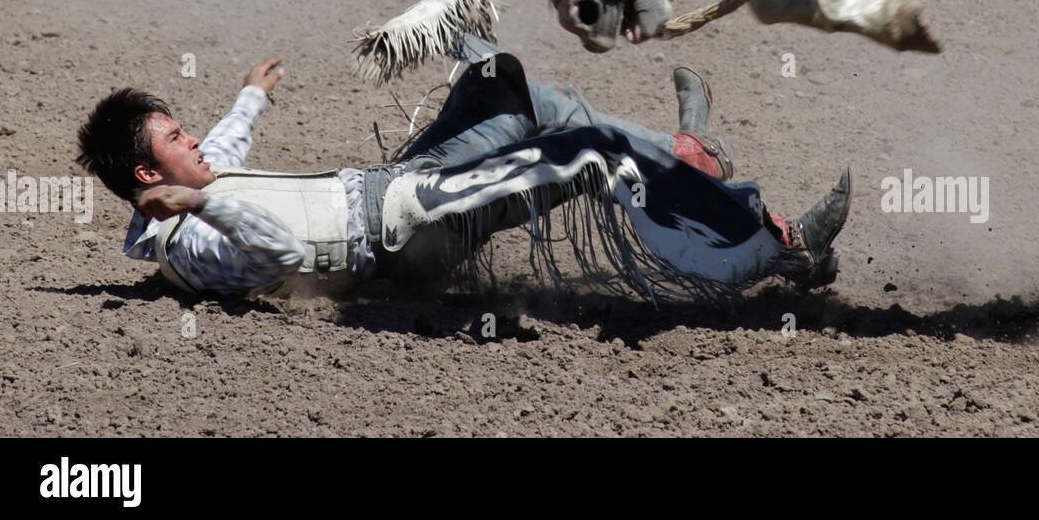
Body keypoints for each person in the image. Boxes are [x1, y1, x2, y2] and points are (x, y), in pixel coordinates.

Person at [76, 54, 852, 302]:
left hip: (399, 186)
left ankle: (689, 157)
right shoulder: (190, 244)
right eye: (177, 137)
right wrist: (203, 198)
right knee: (589, 151)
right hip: (408, 227)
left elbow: (223, 148)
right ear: (151, 171)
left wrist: (251, 94)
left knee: (502, 84)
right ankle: (774, 247)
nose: (197, 143)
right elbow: (277, 255)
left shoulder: (189, 188)